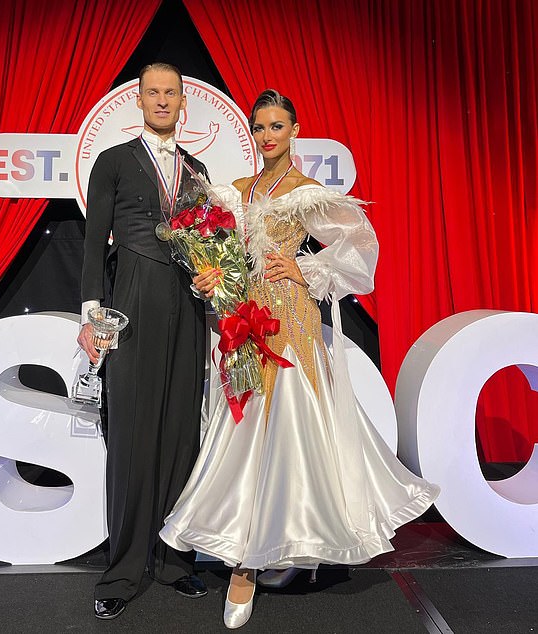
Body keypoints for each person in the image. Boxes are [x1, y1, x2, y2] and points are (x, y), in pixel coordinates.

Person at [159, 89, 440, 629]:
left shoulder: (307, 192)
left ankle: (261, 556)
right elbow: (220, 253)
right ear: (253, 133)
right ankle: (249, 552)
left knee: (290, 434)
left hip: (291, 321)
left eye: (277, 126)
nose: (268, 136)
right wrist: (212, 277)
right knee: (244, 437)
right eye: (260, 127)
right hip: (241, 321)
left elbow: (361, 251)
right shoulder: (235, 191)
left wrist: (307, 272)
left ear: (294, 130)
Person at [78, 63, 209, 620]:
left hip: (189, 308)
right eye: (152, 92)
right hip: (132, 298)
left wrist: (213, 279)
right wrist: (90, 315)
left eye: (170, 93)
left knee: (181, 431)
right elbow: (92, 245)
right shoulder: (113, 161)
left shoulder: (198, 170)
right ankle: (125, 568)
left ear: (183, 102)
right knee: (131, 434)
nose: (162, 100)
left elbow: (210, 245)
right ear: (138, 100)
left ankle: (175, 560)